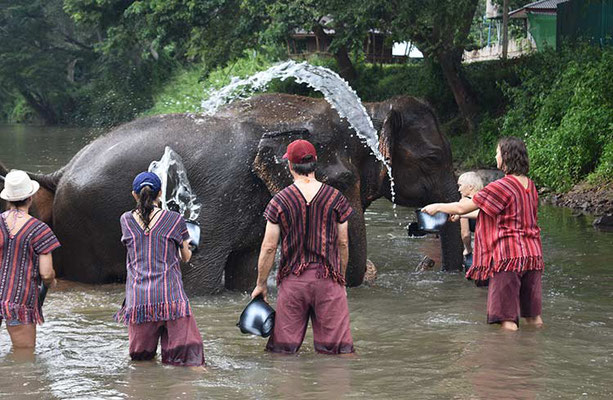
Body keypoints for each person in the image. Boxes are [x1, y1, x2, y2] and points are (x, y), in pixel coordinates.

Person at [422, 137, 544, 331]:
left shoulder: (501, 186)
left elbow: (463, 206)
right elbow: (495, 212)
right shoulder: (530, 186)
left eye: (497, 153)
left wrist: (437, 207)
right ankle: (534, 354)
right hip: (532, 256)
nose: (495, 156)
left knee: (507, 320)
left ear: (506, 157)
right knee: (533, 318)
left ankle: (509, 358)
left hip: (508, 257)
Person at [251, 139, 355, 354]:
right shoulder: (336, 198)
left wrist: (261, 284)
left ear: (290, 165)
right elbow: (343, 242)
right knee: (337, 353)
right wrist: (340, 279)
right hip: (328, 280)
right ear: (315, 162)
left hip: (293, 282)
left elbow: (269, 247)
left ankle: (289, 387)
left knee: (283, 352)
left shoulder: (280, 200)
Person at [115, 171, 205, 367]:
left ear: (134, 195)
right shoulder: (174, 219)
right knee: (189, 362)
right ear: (160, 193)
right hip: (171, 299)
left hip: (139, 302)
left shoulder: (125, 220)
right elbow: (185, 257)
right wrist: (187, 245)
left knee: (141, 361)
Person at [0, 170, 59, 348]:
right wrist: (52, 282)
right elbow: (46, 273)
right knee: (23, 358)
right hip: (19, 300)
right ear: (31, 197)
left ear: (7, 199)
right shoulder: (40, 230)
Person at [452, 172, 483, 270]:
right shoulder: (486, 198)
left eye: (460, 185)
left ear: (470, 187)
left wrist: (468, 249)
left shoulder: (464, 203)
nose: (459, 189)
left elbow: (465, 234)